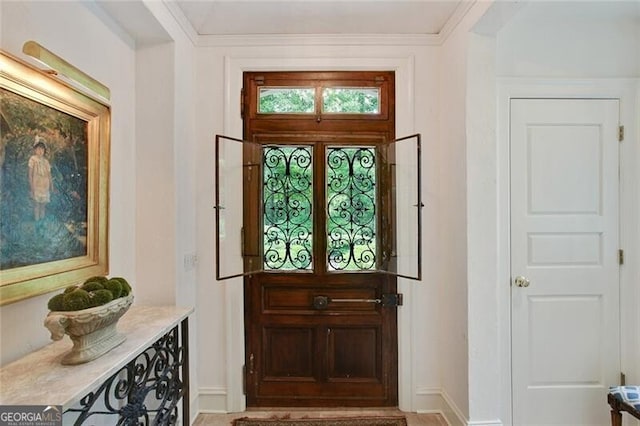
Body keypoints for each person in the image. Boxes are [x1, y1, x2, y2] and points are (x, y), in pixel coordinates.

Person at [28, 139, 53, 228]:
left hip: (44, 187)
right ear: (35, 150)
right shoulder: (33, 159)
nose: (40, 151)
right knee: (36, 206)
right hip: (36, 186)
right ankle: (37, 225)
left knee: (43, 206)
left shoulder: (46, 161)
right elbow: (30, 175)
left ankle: (42, 225)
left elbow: (49, 175)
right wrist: (32, 187)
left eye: (42, 149)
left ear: (44, 151)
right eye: (38, 149)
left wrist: (51, 186)